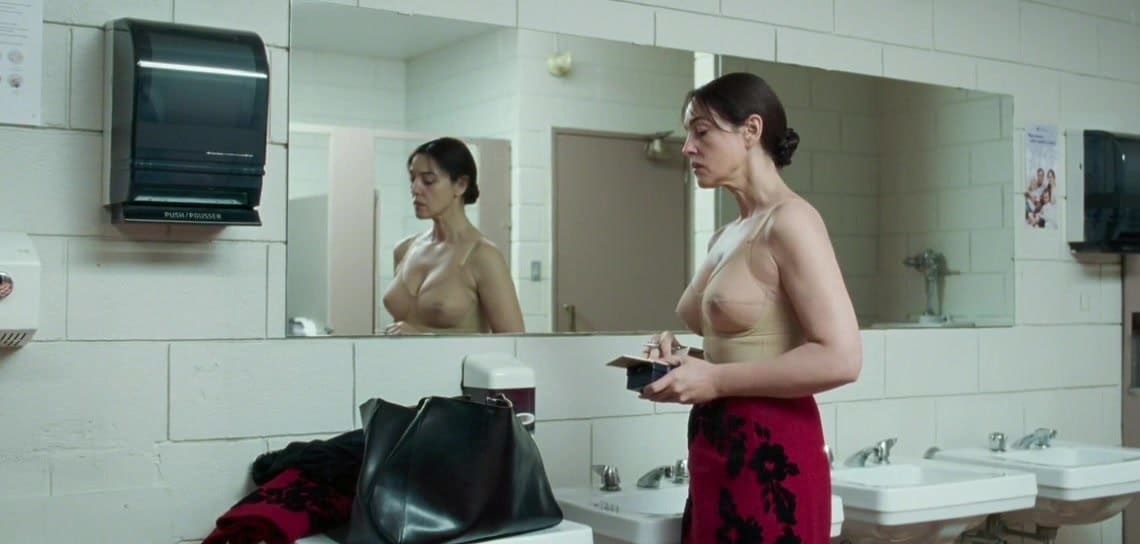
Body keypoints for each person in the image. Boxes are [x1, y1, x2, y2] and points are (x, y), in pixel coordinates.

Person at [640, 72, 862, 543]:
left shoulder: (793, 221)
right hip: (715, 447)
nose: (688, 148)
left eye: (701, 132)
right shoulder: (726, 235)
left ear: (751, 130)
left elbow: (842, 357)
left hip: (772, 451)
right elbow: (741, 348)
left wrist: (716, 380)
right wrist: (685, 362)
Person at [381, 137, 525, 335]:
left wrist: (423, 339)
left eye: (428, 180)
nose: (415, 188)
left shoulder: (483, 256)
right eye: (412, 179)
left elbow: (514, 342)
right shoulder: (404, 249)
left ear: (460, 185)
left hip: (452, 358)